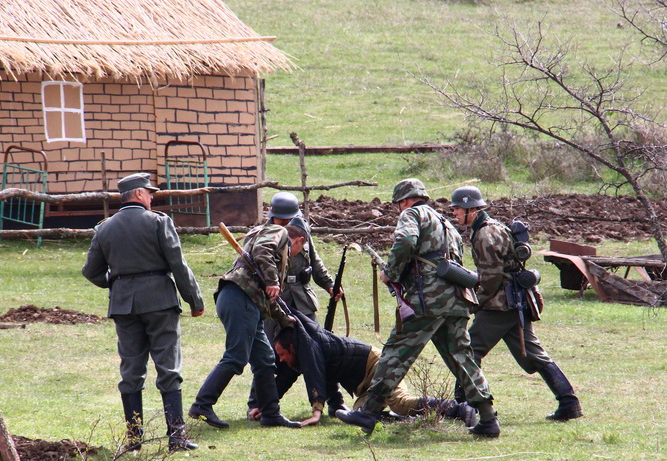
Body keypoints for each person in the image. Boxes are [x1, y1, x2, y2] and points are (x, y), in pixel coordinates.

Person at [336, 178, 500, 438]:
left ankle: (369, 411)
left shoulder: (412, 214)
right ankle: (488, 419)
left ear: (403, 201)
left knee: (395, 352)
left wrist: (390, 273)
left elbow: (405, 242)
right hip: (457, 300)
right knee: (462, 358)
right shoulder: (447, 224)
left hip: (428, 302)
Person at [82, 172, 205, 452]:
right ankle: (176, 437)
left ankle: (134, 440)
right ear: (138, 194)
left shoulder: (104, 228)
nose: (151, 198)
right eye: (149, 193)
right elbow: (178, 265)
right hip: (160, 302)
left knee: (131, 370)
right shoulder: (160, 222)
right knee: (168, 367)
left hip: (124, 305)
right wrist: (194, 300)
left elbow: (91, 271)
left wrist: (116, 283)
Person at [449, 185, 583, 421]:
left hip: (499, 305)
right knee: (534, 355)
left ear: (471, 209)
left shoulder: (485, 234)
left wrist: (474, 303)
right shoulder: (489, 228)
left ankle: (462, 407)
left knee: (468, 352)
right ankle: (569, 402)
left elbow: (490, 278)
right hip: (512, 304)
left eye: (458, 209)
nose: (455, 214)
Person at [247, 311, 478, 428]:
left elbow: (316, 374)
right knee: (362, 412)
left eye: (282, 354)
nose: (281, 359)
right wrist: (265, 406)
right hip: (365, 387)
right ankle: (409, 420)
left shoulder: (309, 350)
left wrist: (316, 410)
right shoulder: (301, 356)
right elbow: (285, 379)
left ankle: (459, 408)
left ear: (293, 348)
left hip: (377, 365)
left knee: (399, 402)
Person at [188, 219, 309, 429]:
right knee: (236, 357)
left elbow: (266, 297)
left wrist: (284, 319)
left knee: (265, 359)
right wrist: (272, 281)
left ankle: (271, 414)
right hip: (240, 299)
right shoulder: (278, 234)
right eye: (302, 247)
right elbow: (262, 253)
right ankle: (202, 405)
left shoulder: (269, 245)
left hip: (246, 302)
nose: (299, 252)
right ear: (298, 240)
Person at [248, 194, 347, 418]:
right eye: (281, 219)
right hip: (275, 301)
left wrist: (330, 285)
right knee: (270, 354)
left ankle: (334, 401)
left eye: (288, 219)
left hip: (302, 299)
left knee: (318, 349)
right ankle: (257, 403)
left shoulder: (301, 233)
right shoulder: (264, 236)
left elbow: (316, 262)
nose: (285, 223)